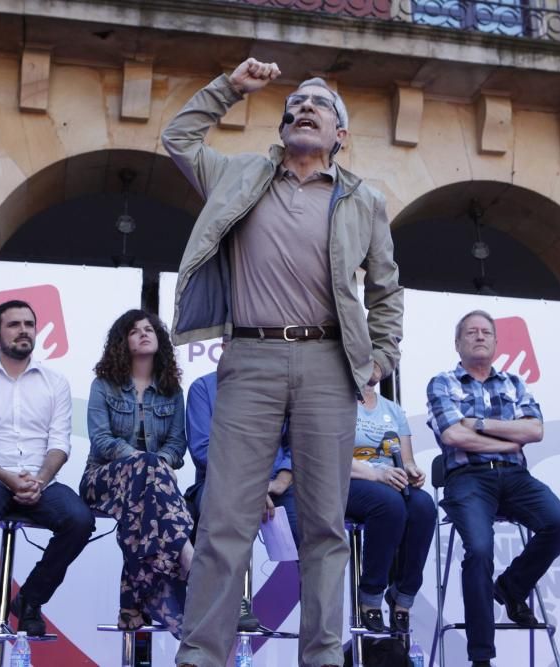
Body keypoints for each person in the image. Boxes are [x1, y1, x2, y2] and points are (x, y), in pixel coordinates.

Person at [162, 56, 403, 667]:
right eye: (295, 104)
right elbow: (177, 139)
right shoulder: (240, 175)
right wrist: (228, 89)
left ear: (339, 136)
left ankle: (321, 658)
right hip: (250, 357)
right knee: (224, 522)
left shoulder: (363, 200)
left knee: (324, 525)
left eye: (318, 106)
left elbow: (385, 286)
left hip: (328, 362)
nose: (303, 109)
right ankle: (201, 657)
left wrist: (383, 354)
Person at [426, 310, 560, 667]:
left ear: (495, 342)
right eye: (471, 332)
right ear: (458, 343)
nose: (479, 337)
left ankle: (510, 587)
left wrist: (477, 424)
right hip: (468, 478)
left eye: (486, 333)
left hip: (515, 478)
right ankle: (481, 656)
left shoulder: (514, 382)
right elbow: (451, 435)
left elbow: (535, 431)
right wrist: (507, 440)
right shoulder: (442, 382)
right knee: (478, 550)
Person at [0, 299, 95, 637]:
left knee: (80, 519)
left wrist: (40, 480)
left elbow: (60, 444)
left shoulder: (55, 382)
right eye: (14, 325)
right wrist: (7, 478)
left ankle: (30, 599)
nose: (23, 331)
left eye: (29, 325)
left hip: (40, 479)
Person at [79, 309, 192, 639]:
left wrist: (155, 466)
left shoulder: (173, 391)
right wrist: (143, 462)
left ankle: (131, 606)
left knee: (140, 513)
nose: (144, 334)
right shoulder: (104, 386)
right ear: (122, 342)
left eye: (150, 330)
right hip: (101, 479)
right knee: (148, 472)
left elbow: (176, 446)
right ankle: (184, 550)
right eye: (134, 331)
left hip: (148, 490)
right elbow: (101, 440)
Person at [184, 367, 299, 632]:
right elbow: (203, 450)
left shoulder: (279, 386)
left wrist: (281, 480)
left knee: (310, 528)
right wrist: (250, 487)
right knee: (221, 515)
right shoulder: (203, 388)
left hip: (276, 485)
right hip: (221, 483)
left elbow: (296, 443)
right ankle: (231, 599)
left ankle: (317, 615)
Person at [347, 384, 435, 634]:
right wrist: (377, 474)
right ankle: (371, 593)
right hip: (349, 481)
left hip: (389, 480)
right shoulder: (337, 400)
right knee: (389, 504)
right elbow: (333, 456)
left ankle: (403, 595)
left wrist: (412, 471)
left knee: (423, 506)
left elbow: (405, 460)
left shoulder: (393, 409)